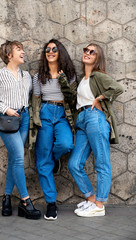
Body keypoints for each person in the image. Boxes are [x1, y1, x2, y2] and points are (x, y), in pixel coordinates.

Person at [0, 40, 41, 220]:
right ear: (9, 55)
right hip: (8, 120)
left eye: (22, 49)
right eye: (19, 50)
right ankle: (25, 201)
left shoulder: (26, 76)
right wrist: (6, 109)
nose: (23, 52)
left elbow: (35, 91)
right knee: (18, 158)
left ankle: (7, 199)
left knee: (14, 159)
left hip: (24, 119)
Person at [68, 43, 124, 217]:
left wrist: (100, 98)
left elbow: (118, 88)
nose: (87, 53)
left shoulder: (98, 75)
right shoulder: (82, 79)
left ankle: (100, 204)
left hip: (95, 118)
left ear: (97, 58)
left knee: (101, 162)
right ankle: (91, 199)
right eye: (86, 50)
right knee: (74, 164)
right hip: (82, 121)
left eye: (92, 52)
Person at [32, 39, 77, 220]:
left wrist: (63, 80)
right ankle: (51, 203)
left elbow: (72, 100)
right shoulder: (38, 77)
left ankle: (54, 159)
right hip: (44, 113)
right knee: (42, 160)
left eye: (54, 49)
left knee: (66, 144)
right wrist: (34, 122)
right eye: (47, 49)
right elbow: (35, 100)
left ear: (61, 53)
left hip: (62, 113)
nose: (50, 51)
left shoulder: (70, 74)